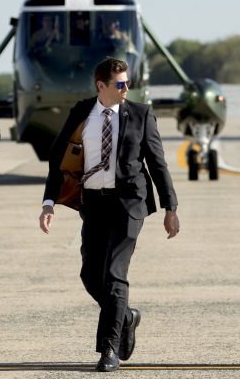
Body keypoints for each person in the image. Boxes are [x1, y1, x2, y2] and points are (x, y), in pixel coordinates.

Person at [39, 57, 180, 372]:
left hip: (129, 202)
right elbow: (57, 158)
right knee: (91, 275)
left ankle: (109, 350)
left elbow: (158, 163)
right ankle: (126, 316)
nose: (126, 87)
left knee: (115, 275)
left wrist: (171, 207)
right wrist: (49, 202)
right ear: (101, 86)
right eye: (119, 83)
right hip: (93, 204)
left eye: (128, 82)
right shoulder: (81, 113)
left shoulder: (141, 114)